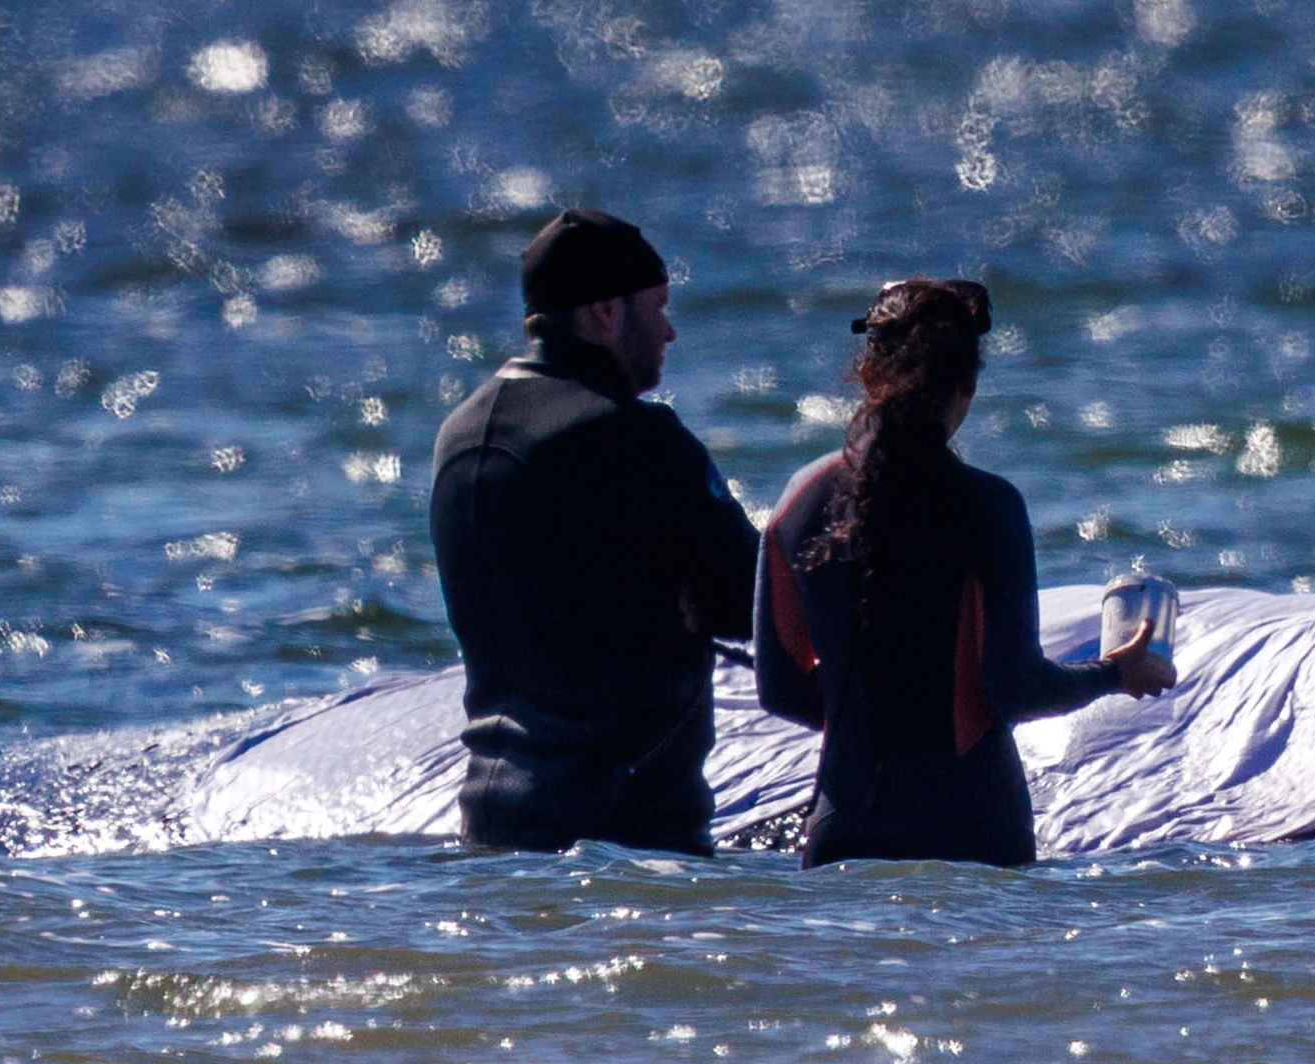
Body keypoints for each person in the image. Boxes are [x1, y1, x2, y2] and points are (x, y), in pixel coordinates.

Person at [756, 278, 1174, 868]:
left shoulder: (799, 501)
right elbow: (1016, 689)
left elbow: (778, 688)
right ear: (968, 386)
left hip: (842, 832)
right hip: (972, 832)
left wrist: (868, 716)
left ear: (868, 377)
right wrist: (1112, 673)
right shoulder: (988, 507)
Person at [428, 208, 759, 854]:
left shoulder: (460, 434)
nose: (670, 330)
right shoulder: (635, 438)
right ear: (605, 314)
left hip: (492, 824)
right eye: (656, 307)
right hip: (628, 830)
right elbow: (753, 599)